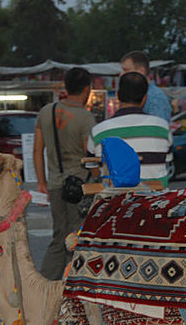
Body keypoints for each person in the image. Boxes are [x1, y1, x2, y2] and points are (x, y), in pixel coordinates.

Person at [33, 67, 96, 280]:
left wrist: (41, 182)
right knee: (77, 237)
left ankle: (44, 285)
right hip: (81, 187)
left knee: (59, 236)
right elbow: (90, 157)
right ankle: (72, 284)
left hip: (55, 183)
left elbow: (37, 150)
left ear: (66, 87)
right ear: (87, 90)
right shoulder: (86, 119)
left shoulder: (46, 112)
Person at [87, 71, 172, 187]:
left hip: (116, 201)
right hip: (157, 201)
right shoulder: (162, 127)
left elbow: (93, 169)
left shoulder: (98, 131)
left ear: (118, 95)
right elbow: (167, 161)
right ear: (145, 99)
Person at [120, 50, 171, 123]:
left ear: (141, 71)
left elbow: (158, 130)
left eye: (126, 70)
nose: (121, 74)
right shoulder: (141, 94)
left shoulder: (155, 98)